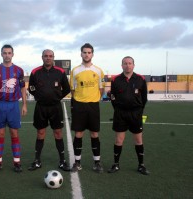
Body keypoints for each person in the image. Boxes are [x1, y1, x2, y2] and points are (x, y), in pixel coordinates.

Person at [27, 49, 71, 172]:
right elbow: (31, 88)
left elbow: (67, 89)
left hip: (55, 107)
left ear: (53, 58)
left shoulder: (60, 72)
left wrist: (57, 97)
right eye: (46, 56)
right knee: (40, 132)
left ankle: (62, 161)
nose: (48, 58)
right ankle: (37, 161)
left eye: (50, 56)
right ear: (42, 57)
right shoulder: (35, 72)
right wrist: (39, 96)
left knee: (58, 132)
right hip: (41, 107)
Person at [0, 44, 27, 173]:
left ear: (13, 54)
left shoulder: (19, 70)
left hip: (13, 105)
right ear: (1, 54)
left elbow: (22, 88)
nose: (7, 55)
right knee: (0, 134)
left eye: (9, 53)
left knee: (14, 133)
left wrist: (24, 104)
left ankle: (17, 162)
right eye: (5, 53)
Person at [107, 56, 149, 175]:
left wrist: (139, 110)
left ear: (133, 65)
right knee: (119, 140)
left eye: (130, 63)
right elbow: (113, 97)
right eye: (125, 63)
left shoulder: (140, 79)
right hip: (120, 113)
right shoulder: (115, 80)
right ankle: (116, 164)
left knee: (138, 140)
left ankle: (141, 165)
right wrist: (118, 109)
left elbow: (144, 98)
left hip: (135, 114)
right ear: (122, 65)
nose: (127, 65)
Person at [70, 43, 105, 173]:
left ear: (92, 54)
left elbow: (101, 89)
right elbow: (73, 89)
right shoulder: (75, 71)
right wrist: (80, 99)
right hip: (79, 106)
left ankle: (97, 163)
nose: (87, 54)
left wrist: (93, 98)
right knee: (78, 134)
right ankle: (77, 163)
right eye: (84, 52)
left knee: (94, 134)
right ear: (81, 54)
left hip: (93, 106)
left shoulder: (98, 71)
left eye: (89, 52)